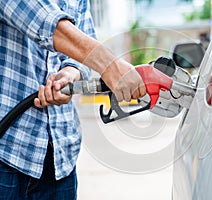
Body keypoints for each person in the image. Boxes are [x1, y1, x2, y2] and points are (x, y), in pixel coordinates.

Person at [0, 0, 146, 199]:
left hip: (60, 155)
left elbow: (83, 39)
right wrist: (111, 65)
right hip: (7, 153)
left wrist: (70, 74)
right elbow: (47, 23)